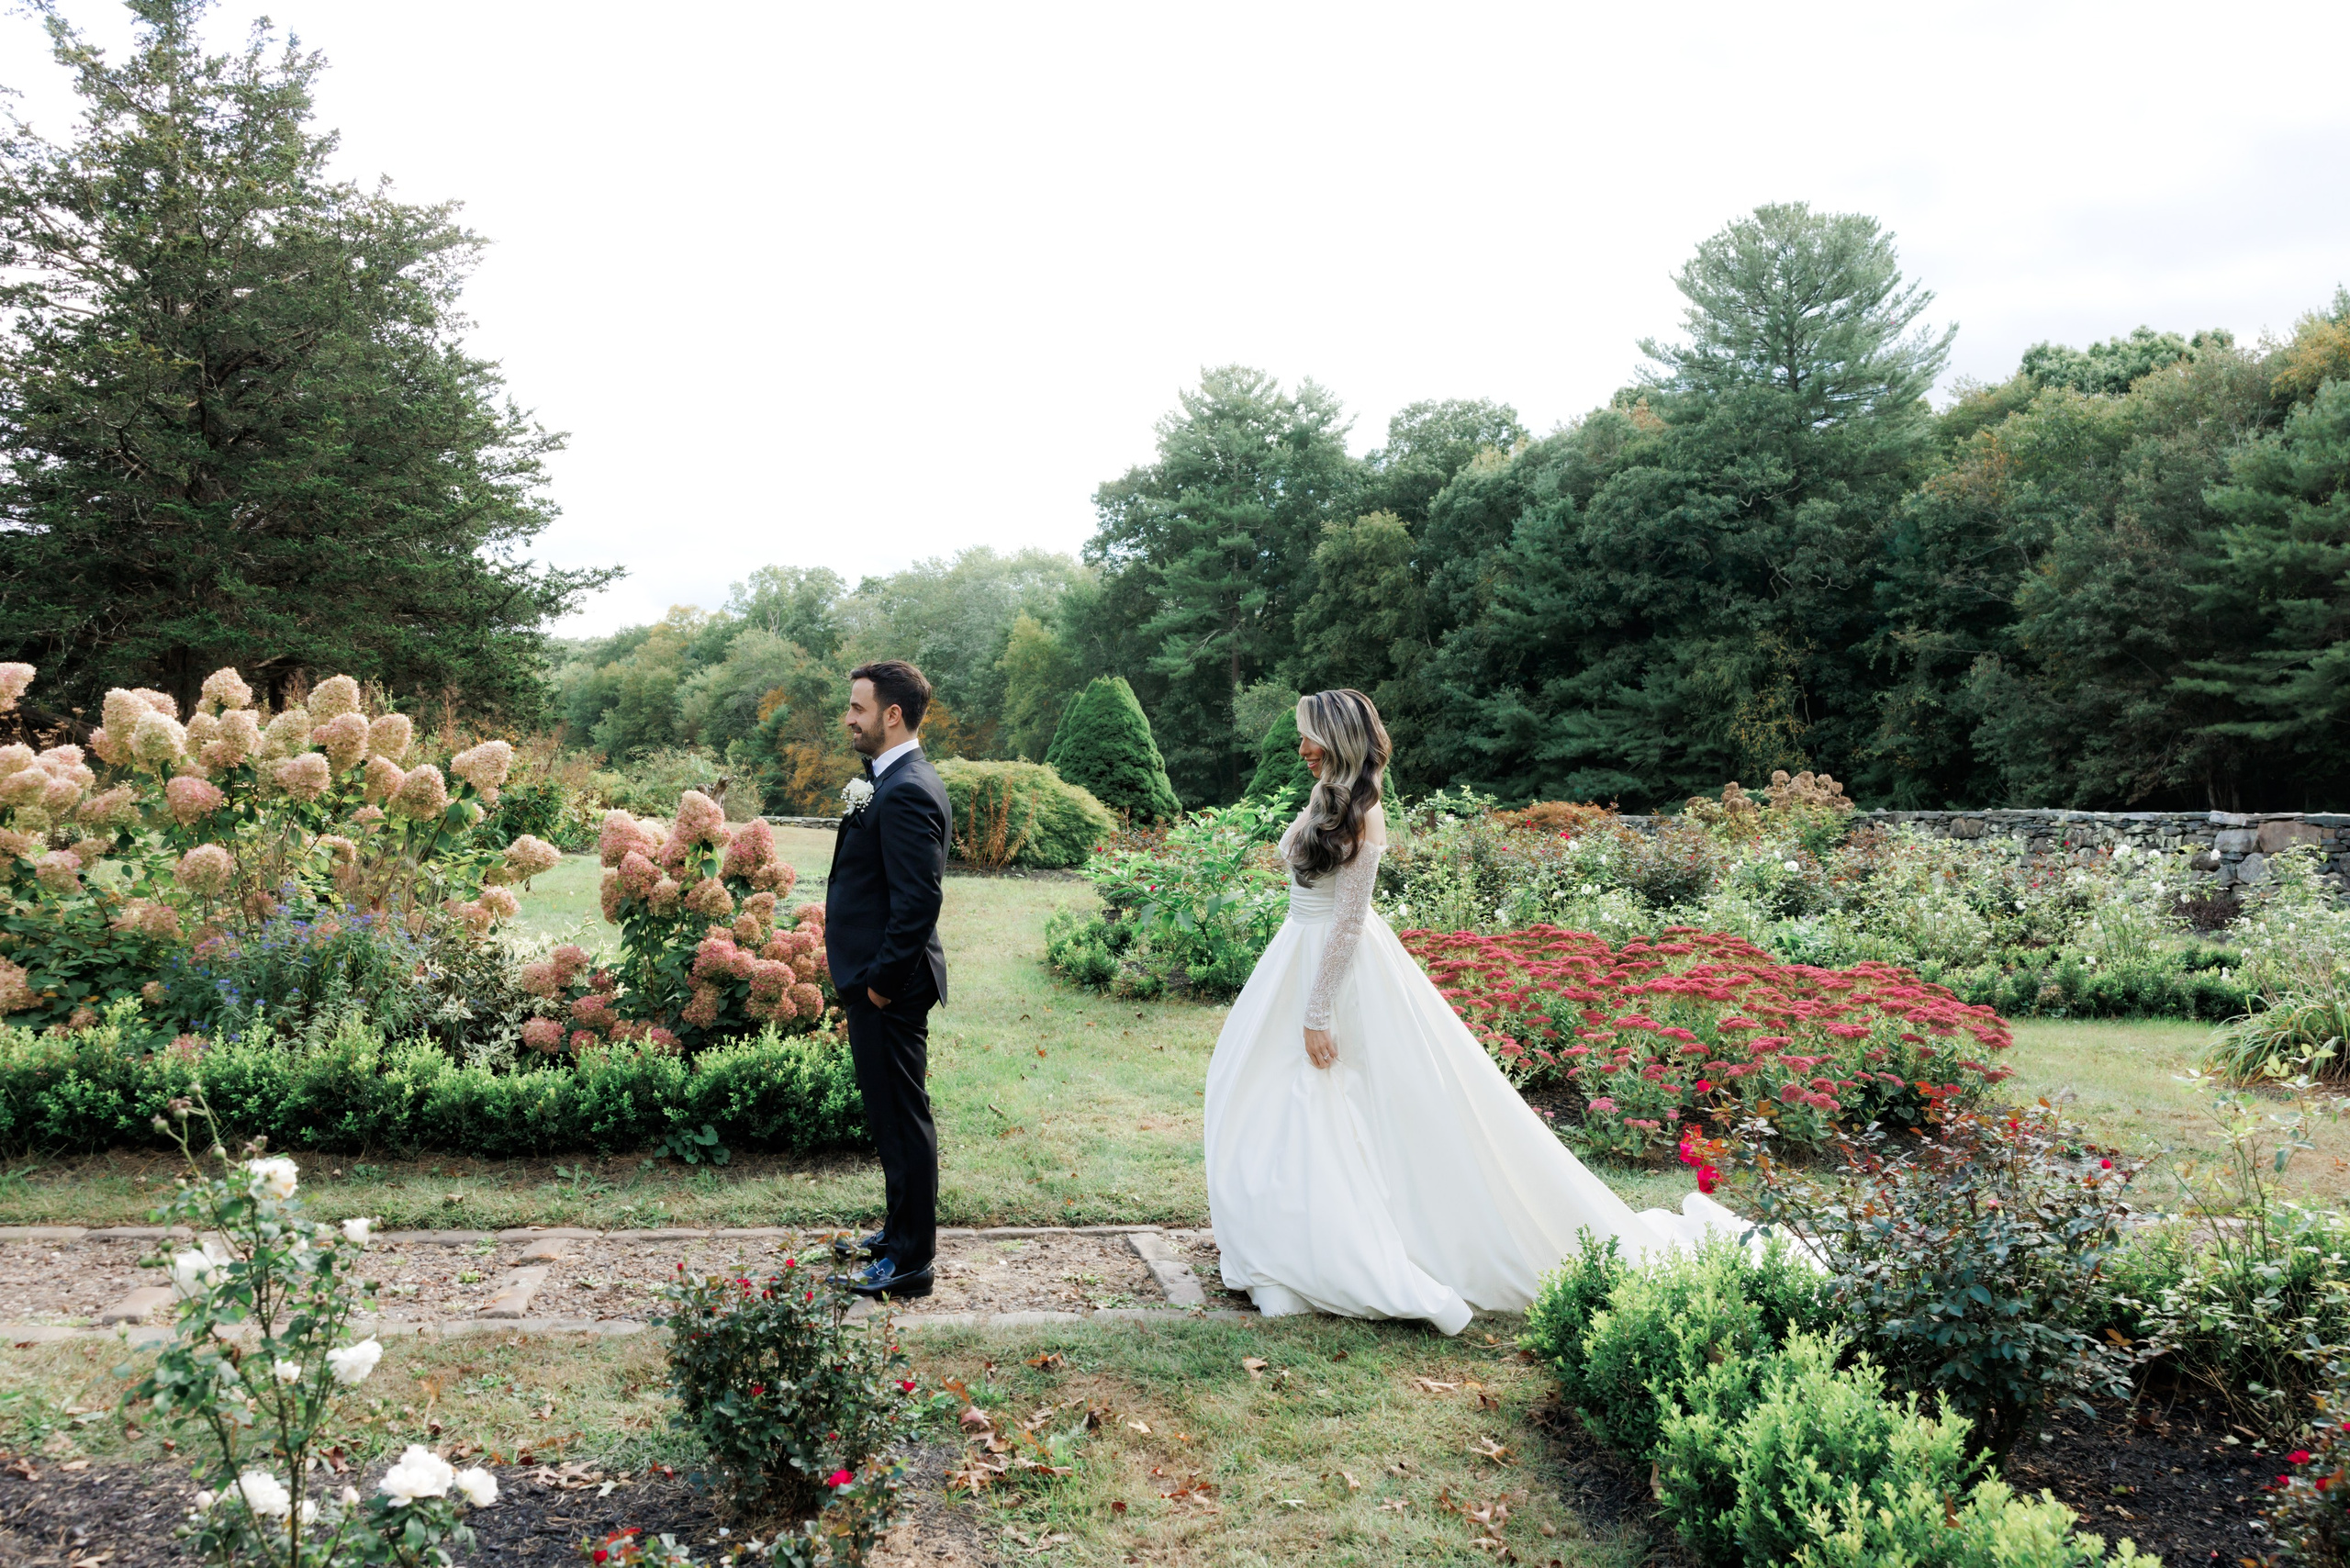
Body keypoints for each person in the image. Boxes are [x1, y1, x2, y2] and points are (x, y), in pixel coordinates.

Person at [1203, 689, 1757, 1335]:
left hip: (1335, 970)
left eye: (1310, 738)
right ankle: (1285, 1238)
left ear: (1337, 742)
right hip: (1294, 954)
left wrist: (1317, 1010)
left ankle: (1326, 1251)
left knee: (1324, 1099)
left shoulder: (1365, 815)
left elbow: (1349, 924)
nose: (1300, 749)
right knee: (1258, 1092)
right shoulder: (1325, 796)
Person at [823, 659, 951, 1299]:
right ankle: (897, 1234)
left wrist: (878, 983)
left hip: (890, 986)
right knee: (889, 1118)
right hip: (871, 979)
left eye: (857, 707)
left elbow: (918, 902)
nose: (848, 718)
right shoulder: (878, 778)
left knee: (903, 1120)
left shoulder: (906, 789)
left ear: (891, 715)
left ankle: (911, 1263)